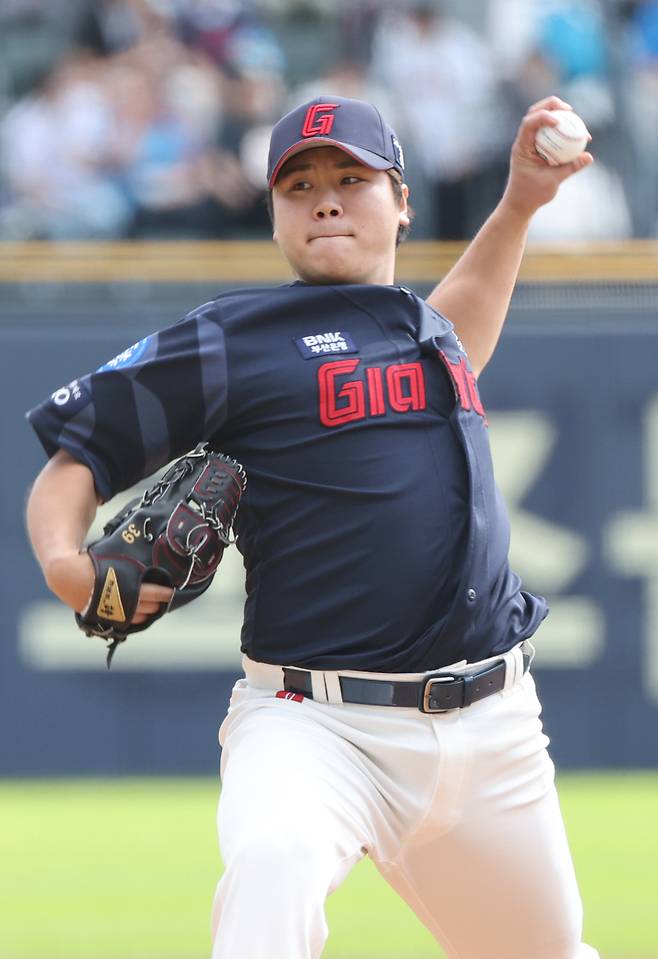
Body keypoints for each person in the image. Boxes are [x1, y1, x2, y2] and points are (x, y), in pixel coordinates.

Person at [25, 94, 600, 959]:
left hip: (493, 723)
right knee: (274, 865)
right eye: (299, 186)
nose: (325, 200)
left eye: (351, 180)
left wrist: (519, 203)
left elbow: (461, 331)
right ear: (274, 216)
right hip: (313, 724)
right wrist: (63, 561)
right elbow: (77, 459)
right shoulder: (233, 336)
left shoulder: (429, 335)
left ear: (401, 203)